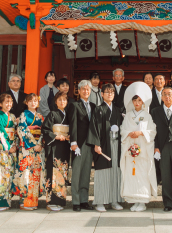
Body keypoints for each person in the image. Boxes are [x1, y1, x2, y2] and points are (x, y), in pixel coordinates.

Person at [120, 83, 157, 212]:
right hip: (130, 149)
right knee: (131, 174)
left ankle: (143, 201)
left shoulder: (147, 116)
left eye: (139, 100)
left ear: (143, 102)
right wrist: (129, 133)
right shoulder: (128, 116)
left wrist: (141, 133)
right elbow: (122, 130)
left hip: (143, 150)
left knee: (142, 174)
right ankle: (134, 200)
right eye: (135, 100)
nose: (137, 102)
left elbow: (152, 131)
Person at [88, 83, 123, 211]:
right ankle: (100, 202)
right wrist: (96, 144)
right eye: (107, 92)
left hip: (116, 144)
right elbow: (94, 127)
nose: (110, 94)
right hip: (103, 145)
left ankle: (114, 200)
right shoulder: (98, 109)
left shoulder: (118, 110)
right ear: (102, 94)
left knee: (116, 172)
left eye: (112, 92)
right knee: (102, 173)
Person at [14, 93, 45, 210]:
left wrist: (40, 144)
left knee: (35, 175)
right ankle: (24, 202)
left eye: (35, 101)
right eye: (30, 101)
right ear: (26, 103)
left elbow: (43, 132)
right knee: (26, 173)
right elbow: (22, 130)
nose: (33, 103)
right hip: (27, 149)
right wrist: (33, 144)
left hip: (38, 148)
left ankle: (33, 201)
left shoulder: (40, 116)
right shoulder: (23, 115)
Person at [42, 91, 72, 211]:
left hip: (64, 147)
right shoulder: (52, 114)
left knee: (63, 172)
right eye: (59, 100)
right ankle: (51, 202)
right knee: (53, 173)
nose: (62, 102)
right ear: (55, 102)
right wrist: (55, 136)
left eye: (64, 100)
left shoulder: (68, 115)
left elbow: (72, 129)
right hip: (54, 146)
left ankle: (60, 200)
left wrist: (70, 136)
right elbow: (45, 129)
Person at [69, 80, 95, 211]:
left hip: (90, 143)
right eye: (83, 89)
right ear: (79, 91)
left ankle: (84, 200)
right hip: (78, 144)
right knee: (77, 172)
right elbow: (73, 124)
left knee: (86, 172)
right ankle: (76, 201)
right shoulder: (74, 105)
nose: (86, 91)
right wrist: (73, 142)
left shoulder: (94, 106)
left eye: (88, 89)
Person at [0, 93, 18, 211]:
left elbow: (15, 132)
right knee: (0, 174)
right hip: (3, 149)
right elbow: (1, 133)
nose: (9, 104)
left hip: (11, 147)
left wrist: (14, 145)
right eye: (6, 102)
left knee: (8, 174)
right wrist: (8, 147)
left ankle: (6, 200)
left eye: (10, 102)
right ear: (0, 104)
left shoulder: (11, 116)